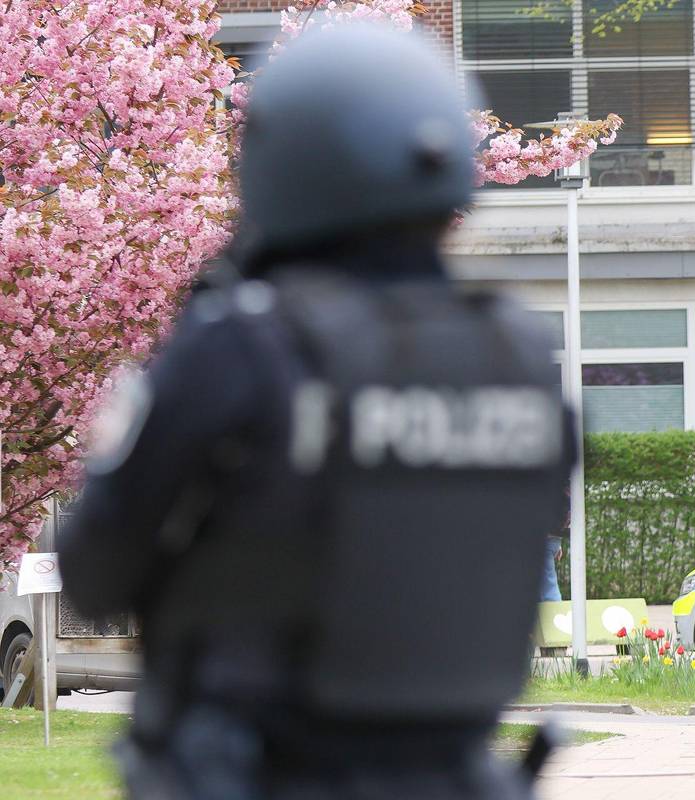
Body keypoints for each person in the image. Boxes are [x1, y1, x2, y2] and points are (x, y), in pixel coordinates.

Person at [59, 24, 573, 800]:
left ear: (280, 162)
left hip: (255, 772)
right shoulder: (521, 357)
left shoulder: (244, 344)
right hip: (462, 777)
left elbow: (93, 574)